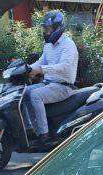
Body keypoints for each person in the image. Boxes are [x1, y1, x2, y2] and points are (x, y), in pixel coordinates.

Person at [25, 10, 78, 143]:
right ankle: (32, 129)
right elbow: (40, 62)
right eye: (45, 29)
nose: (45, 32)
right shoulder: (48, 45)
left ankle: (44, 134)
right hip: (49, 84)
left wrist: (42, 70)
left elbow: (64, 67)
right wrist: (26, 68)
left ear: (57, 28)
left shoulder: (68, 45)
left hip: (63, 86)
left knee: (35, 95)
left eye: (48, 29)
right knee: (24, 92)